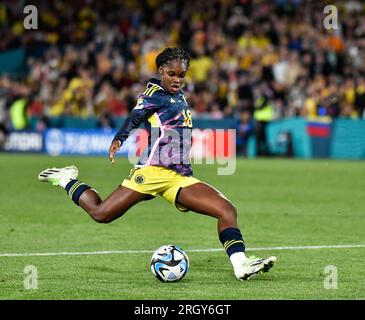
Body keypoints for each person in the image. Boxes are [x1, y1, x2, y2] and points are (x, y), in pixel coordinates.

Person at [38, 47, 276, 281]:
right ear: (161, 70)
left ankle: (241, 265)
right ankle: (66, 178)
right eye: (172, 74)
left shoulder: (178, 94)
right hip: (152, 171)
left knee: (226, 210)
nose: (177, 79)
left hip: (179, 176)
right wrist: (118, 140)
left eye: (181, 75)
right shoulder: (153, 94)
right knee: (102, 214)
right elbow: (135, 117)